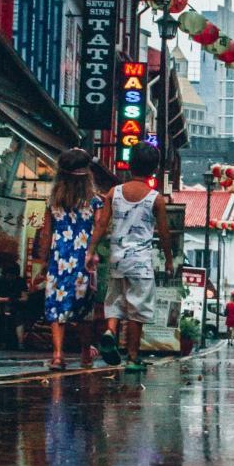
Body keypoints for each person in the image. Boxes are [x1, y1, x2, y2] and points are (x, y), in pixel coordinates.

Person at [87, 142, 173, 369]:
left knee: (115, 300)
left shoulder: (113, 193)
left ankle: (110, 330)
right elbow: (164, 233)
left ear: (130, 164)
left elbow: (101, 224)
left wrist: (91, 250)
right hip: (141, 263)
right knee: (137, 309)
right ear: (154, 168)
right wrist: (169, 260)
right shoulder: (156, 199)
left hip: (117, 258)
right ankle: (133, 357)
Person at [32, 148, 102, 372]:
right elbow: (100, 229)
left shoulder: (53, 202)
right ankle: (85, 353)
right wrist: (93, 251)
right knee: (84, 309)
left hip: (59, 259)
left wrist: (43, 264)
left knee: (57, 306)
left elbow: (46, 234)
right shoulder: (95, 201)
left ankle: (58, 355)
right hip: (84, 259)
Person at [0, 260, 27, 350]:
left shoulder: (20, 281)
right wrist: (4, 299)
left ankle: (21, 343)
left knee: (19, 319)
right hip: (1, 304)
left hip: (15, 304)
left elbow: (25, 298)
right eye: (9, 275)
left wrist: (16, 300)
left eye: (13, 275)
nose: (11, 277)